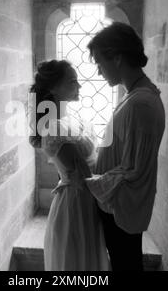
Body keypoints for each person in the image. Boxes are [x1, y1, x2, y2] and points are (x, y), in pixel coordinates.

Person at [83, 22, 166, 271]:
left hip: (122, 210)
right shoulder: (136, 95)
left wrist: (92, 183)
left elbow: (133, 171)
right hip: (118, 206)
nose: (98, 71)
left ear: (117, 58)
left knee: (126, 267)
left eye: (99, 62)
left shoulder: (140, 104)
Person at [29, 60, 110, 271]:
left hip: (87, 199)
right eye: (72, 81)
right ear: (53, 88)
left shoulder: (69, 119)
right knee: (76, 262)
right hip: (76, 202)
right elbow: (82, 175)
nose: (79, 86)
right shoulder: (53, 127)